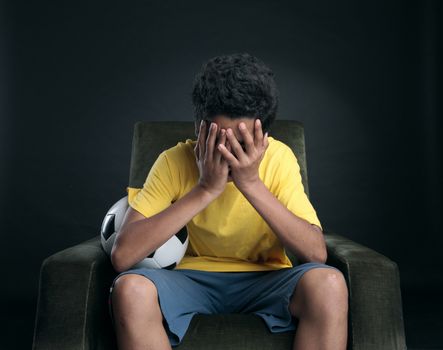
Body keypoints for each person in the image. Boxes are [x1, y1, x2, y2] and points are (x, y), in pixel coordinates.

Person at [108, 53, 348, 350]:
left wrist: (251, 183)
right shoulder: (172, 161)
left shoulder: (279, 158)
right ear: (199, 127)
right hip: (190, 279)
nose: (230, 153)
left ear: (263, 136)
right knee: (130, 289)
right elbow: (123, 257)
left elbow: (316, 254)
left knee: (329, 283)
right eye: (219, 140)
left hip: (266, 280)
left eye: (242, 142)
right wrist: (205, 189)